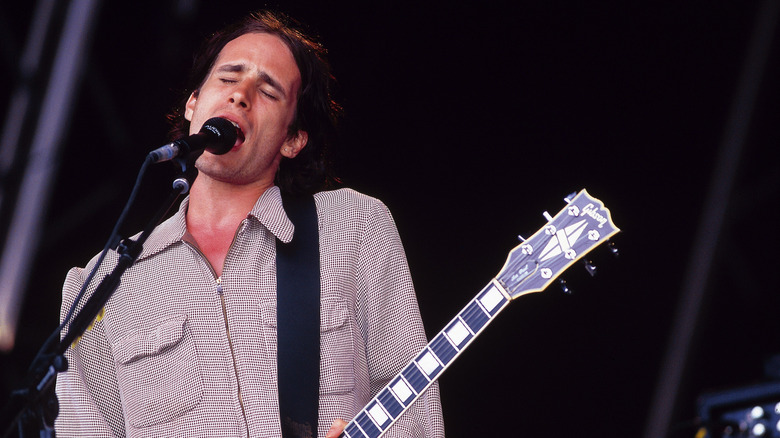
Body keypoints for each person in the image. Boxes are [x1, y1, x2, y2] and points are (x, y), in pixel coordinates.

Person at [54, 10, 445, 438]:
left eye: (269, 91)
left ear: (293, 139)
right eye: (228, 78)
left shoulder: (353, 227)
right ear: (192, 104)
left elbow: (415, 404)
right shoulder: (101, 282)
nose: (240, 95)